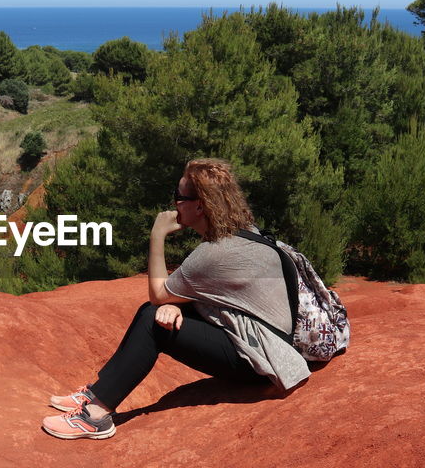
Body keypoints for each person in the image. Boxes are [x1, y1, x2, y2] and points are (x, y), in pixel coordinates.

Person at [42, 158, 310, 440]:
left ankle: (96, 416)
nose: (173, 205)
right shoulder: (245, 235)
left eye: (178, 197)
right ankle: (97, 391)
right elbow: (216, 296)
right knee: (157, 312)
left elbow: (158, 294)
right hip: (263, 341)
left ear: (199, 205)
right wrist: (173, 304)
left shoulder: (214, 253)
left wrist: (157, 235)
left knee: (151, 322)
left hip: (260, 360)